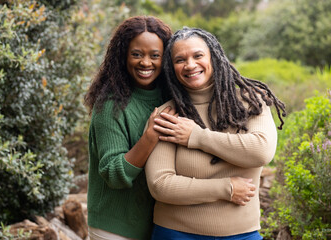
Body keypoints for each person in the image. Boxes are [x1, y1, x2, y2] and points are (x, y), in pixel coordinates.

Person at [145, 27, 286, 240]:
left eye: (198, 55)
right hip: (176, 233)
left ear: (215, 57)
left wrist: (196, 136)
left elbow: (261, 151)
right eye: (180, 60)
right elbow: (160, 185)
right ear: (171, 68)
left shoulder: (251, 101)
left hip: (242, 234)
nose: (190, 65)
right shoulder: (169, 115)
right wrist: (225, 187)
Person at [83, 16, 173, 240]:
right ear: (122, 56)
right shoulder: (111, 105)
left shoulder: (169, 97)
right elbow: (113, 173)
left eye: (155, 55)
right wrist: (149, 137)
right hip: (114, 229)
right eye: (136, 54)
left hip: (156, 226)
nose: (145, 62)